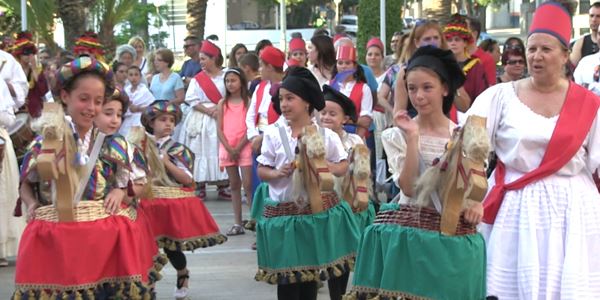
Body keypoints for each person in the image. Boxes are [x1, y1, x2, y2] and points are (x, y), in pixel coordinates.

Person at [468, 2, 600, 298]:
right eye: (531, 48)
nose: (536, 56)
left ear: (566, 55)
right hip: (515, 207)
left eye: (546, 49)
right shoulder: (499, 97)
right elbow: (468, 150)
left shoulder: (590, 105)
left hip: (574, 210)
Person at [346, 46, 485, 300]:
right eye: (412, 88)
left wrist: (476, 204)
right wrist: (413, 138)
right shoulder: (397, 135)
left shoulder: (466, 134)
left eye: (427, 87)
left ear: (445, 88)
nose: (418, 96)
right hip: (412, 238)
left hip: (452, 240)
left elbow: (475, 183)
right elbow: (408, 188)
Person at [14, 57, 152, 298]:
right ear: (65, 96)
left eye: (98, 101)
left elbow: (139, 183)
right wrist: (32, 203)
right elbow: (26, 184)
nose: (91, 107)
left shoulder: (115, 144)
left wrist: (120, 192)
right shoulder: (45, 142)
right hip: (57, 238)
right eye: (84, 99)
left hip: (102, 239)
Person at [254, 66, 358, 300]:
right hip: (284, 217)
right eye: (281, 99)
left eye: (290, 98)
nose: (285, 104)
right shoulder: (272, 134)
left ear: (307, 103)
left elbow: (342, 166)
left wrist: (323, 167)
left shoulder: (325, 135)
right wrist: (278, 172)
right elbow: (261, 170)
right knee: (288, 280)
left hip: (314, 215)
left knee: (309, 278)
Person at [139, 100, 227, 299]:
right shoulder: (141, 147)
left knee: (171, 248)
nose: (168, 124)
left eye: (171, 120)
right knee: (147, 247)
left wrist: (166, 163)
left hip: (169, 204)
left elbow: (188, 179)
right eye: (162, 120)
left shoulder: (178, 149)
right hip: (148, 205)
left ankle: (182, 272)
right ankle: (149, 282)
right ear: (151, 123)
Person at [180, 40, 230, 199]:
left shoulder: (226, 76)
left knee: (218, 149)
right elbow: (192, 99)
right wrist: (208, 111)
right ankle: (199, 184)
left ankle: (223, 184)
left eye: (204, 59)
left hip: (221, 115)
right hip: (202, 117)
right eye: (200, 59)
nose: (200, 62)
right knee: (199, 149)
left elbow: (231, 94)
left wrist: (219, 108)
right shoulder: (197, 79)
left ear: (214, 58)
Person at [217, 68, 253, 236]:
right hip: (227, 146)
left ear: (241, 82)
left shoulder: (248, 101)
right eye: (227, 81)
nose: (230, 84)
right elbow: (219, 129)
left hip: (244, 145)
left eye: (233, 80)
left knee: (248, 184)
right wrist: (230, 148)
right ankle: (237, 222)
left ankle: (253, 220)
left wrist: (238, 147)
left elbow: (249, 126)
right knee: (234, 185)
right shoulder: (222, 103)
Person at [444, 14, 488, 121]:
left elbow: (481, 96)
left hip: (469, 117)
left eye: (457, 39)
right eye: (449, 40)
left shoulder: (475, 66)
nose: (453, 43)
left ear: (465, 42)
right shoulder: (442, 64)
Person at [331, 45, 373, 138]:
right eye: (340, 63)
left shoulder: (364, 88)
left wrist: (356, 142)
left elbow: (366, 121)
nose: (343, 66)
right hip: (331, 137)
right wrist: (354, 120)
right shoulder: (328, 86)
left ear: (354, 66)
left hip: (355, 136)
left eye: (347, 63)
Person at [10, 31, 49, 118]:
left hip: (35, 112)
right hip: (17, 112)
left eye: (31, 52)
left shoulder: (37, 70)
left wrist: (34, 68)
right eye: (26, 52)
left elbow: (43, 91)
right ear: (19, 54)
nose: (29, 55)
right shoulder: (13, 71)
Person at [149, 48, 185, 139]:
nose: (155, 62)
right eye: (155, 60)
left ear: (167, 62)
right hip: (156, 116)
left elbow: (181, 98)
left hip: (171, 116)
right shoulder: (154, 78)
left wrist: (167, 104)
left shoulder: (175, 77)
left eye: (159, 60)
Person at [120, 66, 155, 136]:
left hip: (139, 120)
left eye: (136, 75)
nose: (133, 78)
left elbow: (153, 107)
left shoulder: (144, 91)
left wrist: (138, 109)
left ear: (140, 76)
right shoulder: (126, 91)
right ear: (127, 77)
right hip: (127, 120)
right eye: (131, 75)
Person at [466, 17, 497, 86]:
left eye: (464, 30)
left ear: (474, 34)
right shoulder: (454, 56)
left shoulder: (486, 59)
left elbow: (490, 87)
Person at [570, 1, 600, 67]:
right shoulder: (581, 42)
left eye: (598, 16)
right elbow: (572, 68)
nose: (594, 20)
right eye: (591, 16)